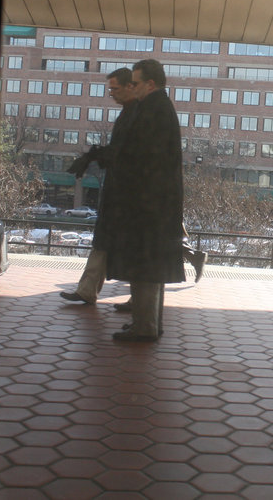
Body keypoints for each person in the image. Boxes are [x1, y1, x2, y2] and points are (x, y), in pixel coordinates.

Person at [106, 59, 186, 341]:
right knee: (147, 267)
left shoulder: (153, 110)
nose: (132, 88)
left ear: (150, 84)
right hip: (154, 205)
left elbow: (140, 158)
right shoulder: (158, 107)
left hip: (148, 205)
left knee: (144, 267)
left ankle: (145, 327)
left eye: (135, 83)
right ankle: (146, 323)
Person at [58, 68, 138, 304]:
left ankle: (131, 298)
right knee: (104, 241)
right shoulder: (130, 113)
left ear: (130, 86)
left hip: (126, 193)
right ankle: (88, 289)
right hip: (120, 191)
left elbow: (125, 153)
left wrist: (95, 156)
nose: (111, 93)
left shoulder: (135, 114)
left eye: (115, 88)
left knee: (118, 243)